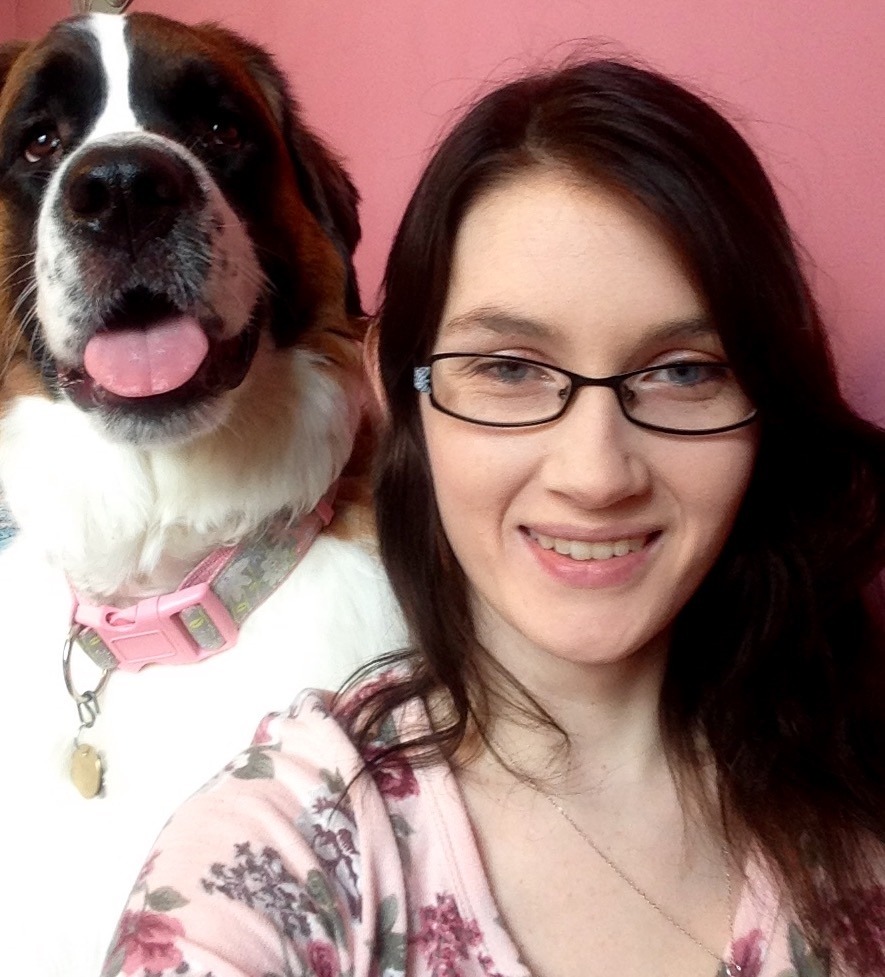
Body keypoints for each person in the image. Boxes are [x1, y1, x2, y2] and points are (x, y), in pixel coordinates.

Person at [101, 58, 885, 977]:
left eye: (682, 370)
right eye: (510, 367)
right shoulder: (280, 858)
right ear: (399, 384)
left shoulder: (855, 784)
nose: (595, 476)